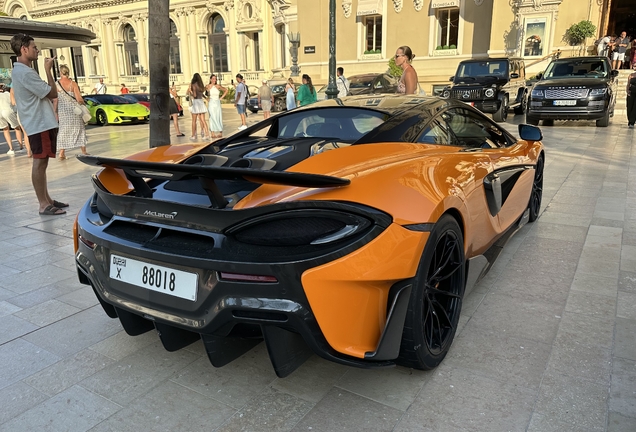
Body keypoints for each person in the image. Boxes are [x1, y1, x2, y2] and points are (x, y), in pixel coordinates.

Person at [10, 33, 67, 216]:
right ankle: (43, 204)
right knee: (39, 162)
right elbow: (52, 93)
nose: (37, 50)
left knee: (42, 163)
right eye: (34, 47)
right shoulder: (24, 72)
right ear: (23, 49)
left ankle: (47, 199)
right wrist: (48, 70)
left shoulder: (24, 71)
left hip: (41, 122)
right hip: (38, 123)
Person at [54, 64, 88, 160]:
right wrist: (83, 104)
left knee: (63, 131)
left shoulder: (56, 84)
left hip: (63, 111)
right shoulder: (73, 84)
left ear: (60, 73)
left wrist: (55, 111)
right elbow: (78, 98)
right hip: (75, 110)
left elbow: (55, 100)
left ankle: (61, 153)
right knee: (80, 129)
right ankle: (84, 151)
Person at [0, 83, 26, 155]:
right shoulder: (7, 94)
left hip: (0, 113)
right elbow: (13, 103)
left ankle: (11, 149)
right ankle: (21, 147)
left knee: (5, 129)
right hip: (8, 111)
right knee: (17, 128)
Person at [186, 73, 209, 140]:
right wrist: (205, 98)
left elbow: (195, 96)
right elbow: (201, 94)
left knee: (194, 120)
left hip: (196, 103)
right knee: (203, 120)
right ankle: (207, 134)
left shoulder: (194, 85)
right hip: (201, 102)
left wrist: (191, 91)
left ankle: (193, 135)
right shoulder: (201, 85)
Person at [626, 62, 636, 128]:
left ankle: (632, 121)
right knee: (629, 106)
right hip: (631, 92)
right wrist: (627, 90)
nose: (634, 66)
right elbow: (628, 84)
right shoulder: (631, 75)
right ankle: (630, 120)